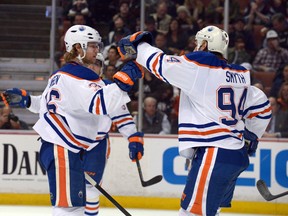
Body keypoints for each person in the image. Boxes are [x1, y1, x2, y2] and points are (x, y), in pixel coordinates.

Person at [117, 26, 271, 215]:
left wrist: (139, 46)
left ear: (205, 44)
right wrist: (252, 136)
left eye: (198, 42)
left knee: (191, 212)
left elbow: (162, 64)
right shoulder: (239, 75)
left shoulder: (201, 66)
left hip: (214, 153)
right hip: (235, 154)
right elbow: (263, 108)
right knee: (210, 211)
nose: (196, 46)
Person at [4, 24, 144, 216]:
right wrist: (124, 78)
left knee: (77, 203)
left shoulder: (61, 75)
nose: (97, 51)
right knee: (68, 209)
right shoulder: (79, 77)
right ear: (78, 48)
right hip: (64, 147)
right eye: (93, 46)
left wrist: (29, 101)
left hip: (72, 147)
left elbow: (52, 105)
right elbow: (100, 104)